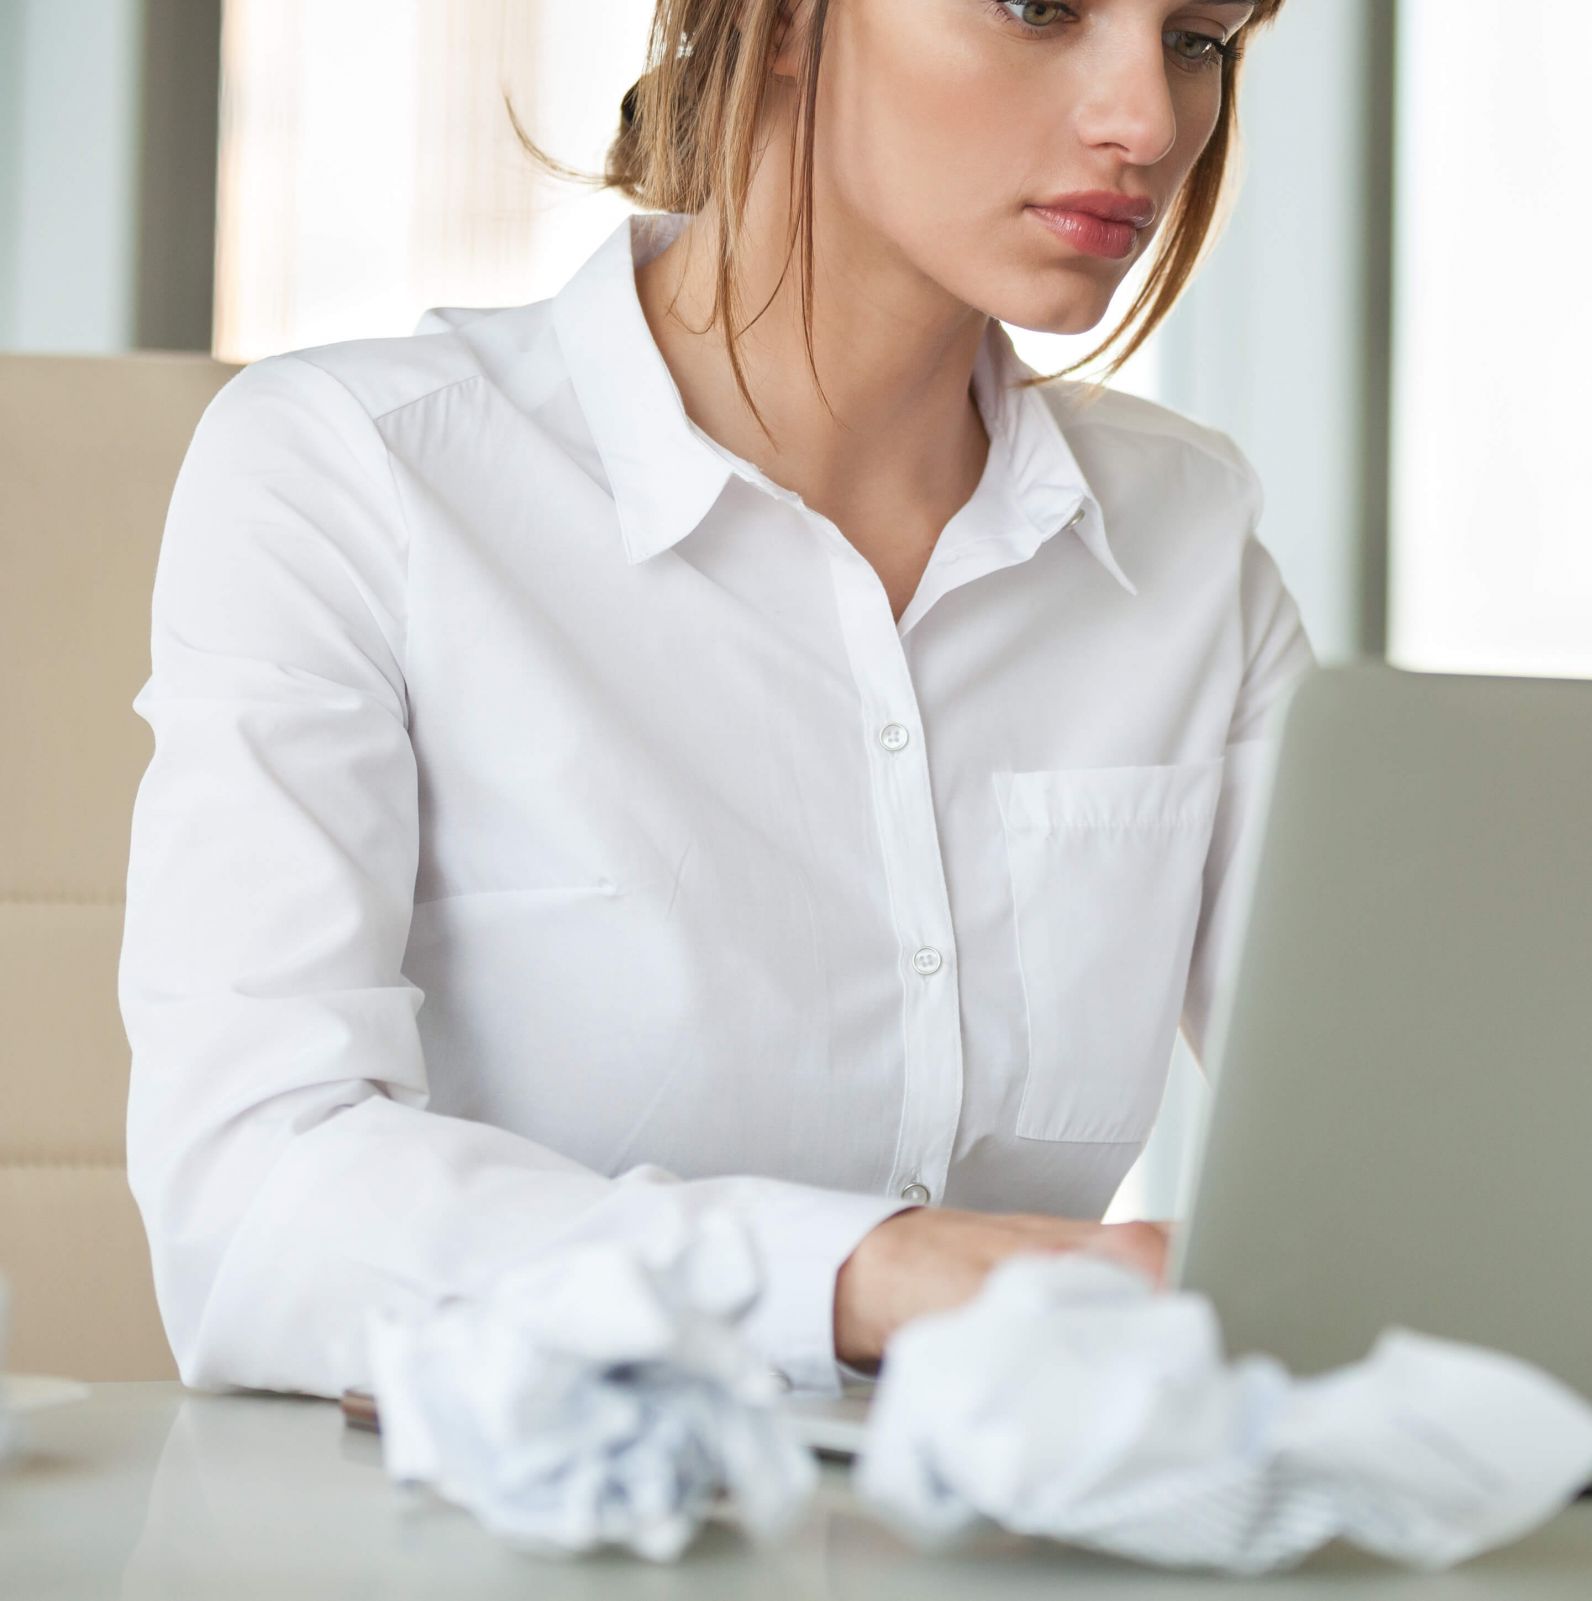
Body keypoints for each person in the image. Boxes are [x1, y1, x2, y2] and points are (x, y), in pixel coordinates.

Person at [119, 0, 1307, 1397]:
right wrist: (862, 1275)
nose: (1150, 123)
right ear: (784, 22)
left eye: (1200, 40)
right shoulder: (355, 479)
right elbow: (253, 1204)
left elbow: (1423, 1115)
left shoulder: (1183, 535)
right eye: (1041, 7)